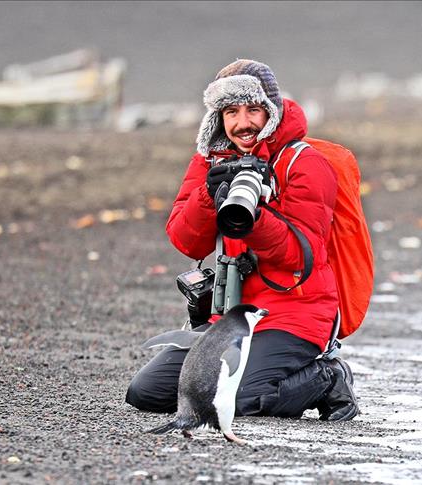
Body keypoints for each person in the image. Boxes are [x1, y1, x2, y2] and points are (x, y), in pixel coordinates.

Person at [125, 59, 359, 421]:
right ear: (218, 117)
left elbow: (301, 255)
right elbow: (186, 242)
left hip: (295, 313)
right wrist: (209, 195)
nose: (243, 122)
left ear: (272, 111)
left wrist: (252, 220)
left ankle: (328, 377)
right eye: (230, 111)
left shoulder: (305, 164)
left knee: (238, 400)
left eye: (253, 109)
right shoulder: (211, 160)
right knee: (148, 392)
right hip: (231, 316)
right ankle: (264, 370)